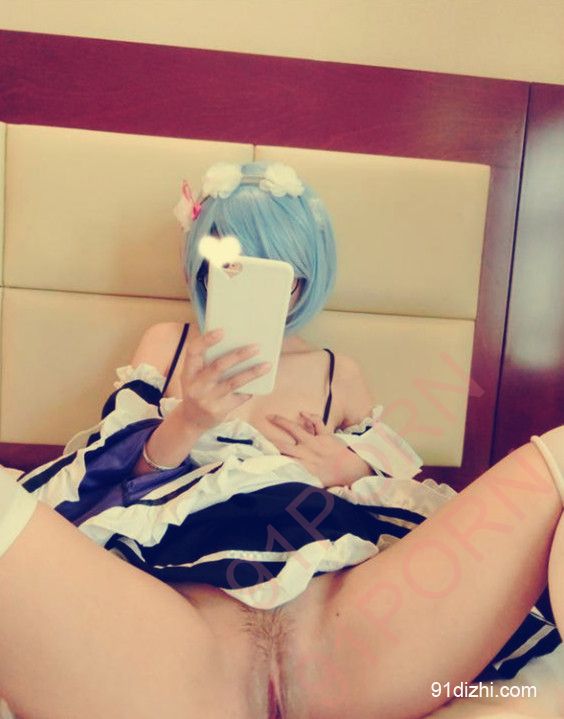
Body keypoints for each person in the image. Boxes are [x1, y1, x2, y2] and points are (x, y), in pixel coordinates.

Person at [0, 160, 563, 719]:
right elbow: (107, 475)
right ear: (203, 269)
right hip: (176, 650)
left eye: (279, 276)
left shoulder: (338, 372)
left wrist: (347, 467)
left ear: (304, 277)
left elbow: (400, 481)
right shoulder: (168, 346)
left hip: (356, 640)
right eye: (233, 271)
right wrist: (189, 420)